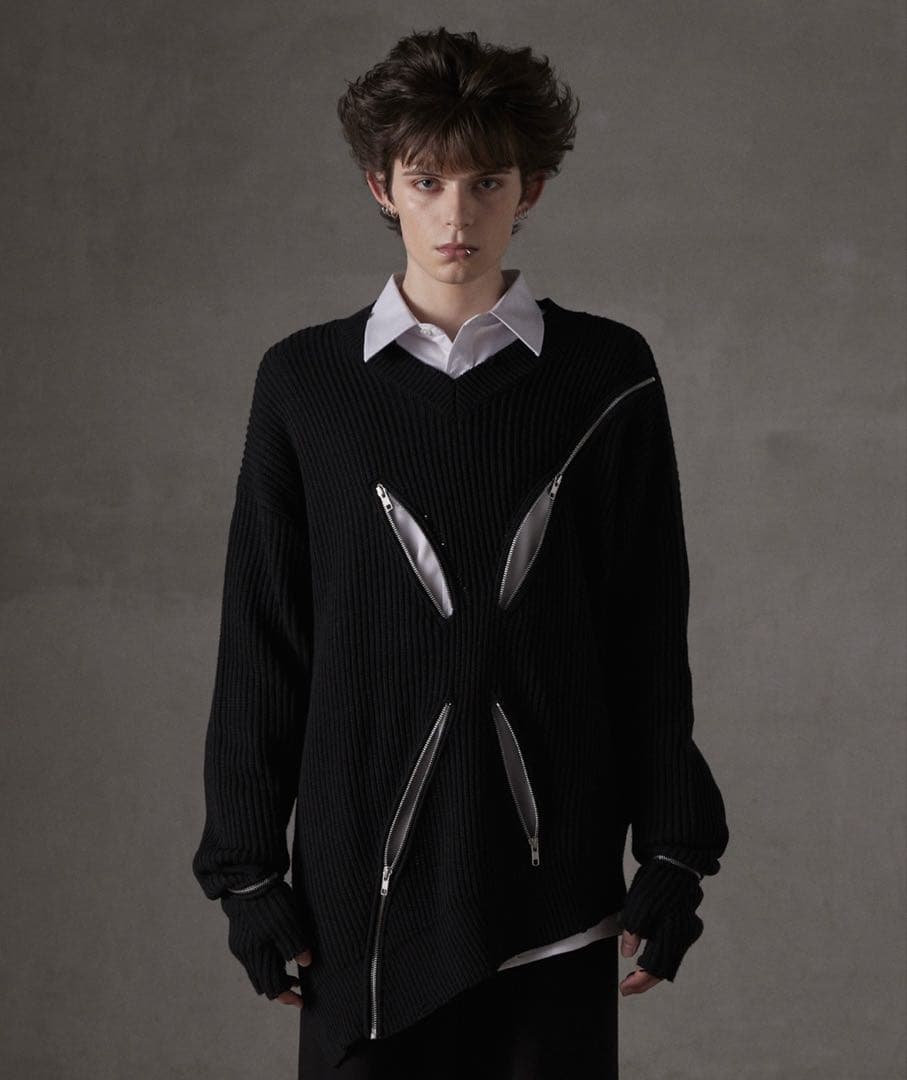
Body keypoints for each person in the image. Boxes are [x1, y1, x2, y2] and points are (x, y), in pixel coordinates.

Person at [191, 25, 730, 1079]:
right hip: (359, 899)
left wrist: (674, 851)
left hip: (555, 889)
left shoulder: (605, 374)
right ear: (381, 186)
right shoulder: (305, 384)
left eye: (486, 182)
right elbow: (264, 637)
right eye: (427, 181)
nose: (456, 215)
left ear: (529, 189)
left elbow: (643, 630)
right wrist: (246, 875)